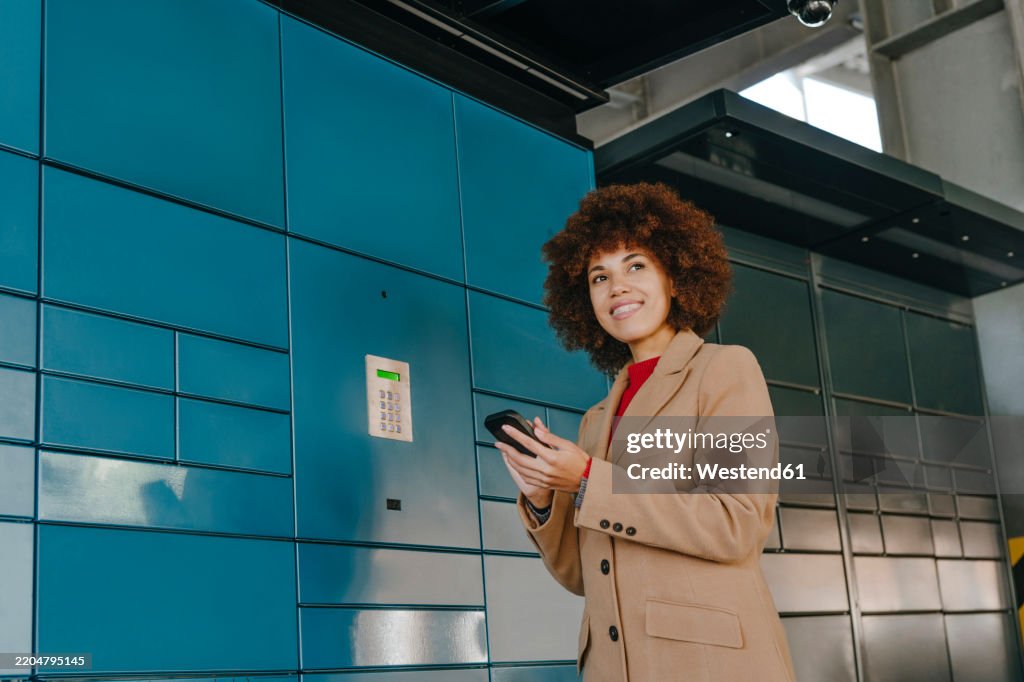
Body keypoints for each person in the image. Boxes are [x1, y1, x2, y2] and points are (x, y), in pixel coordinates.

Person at [494, 182, 797, 681]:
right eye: (599, 277)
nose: (617, 287)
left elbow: (736, 523)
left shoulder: (725, 370)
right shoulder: (597, 419)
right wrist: (546, 497)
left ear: (676, 277)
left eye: (636, 265)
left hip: (709, 666)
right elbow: (580, 575)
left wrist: (591, 479)